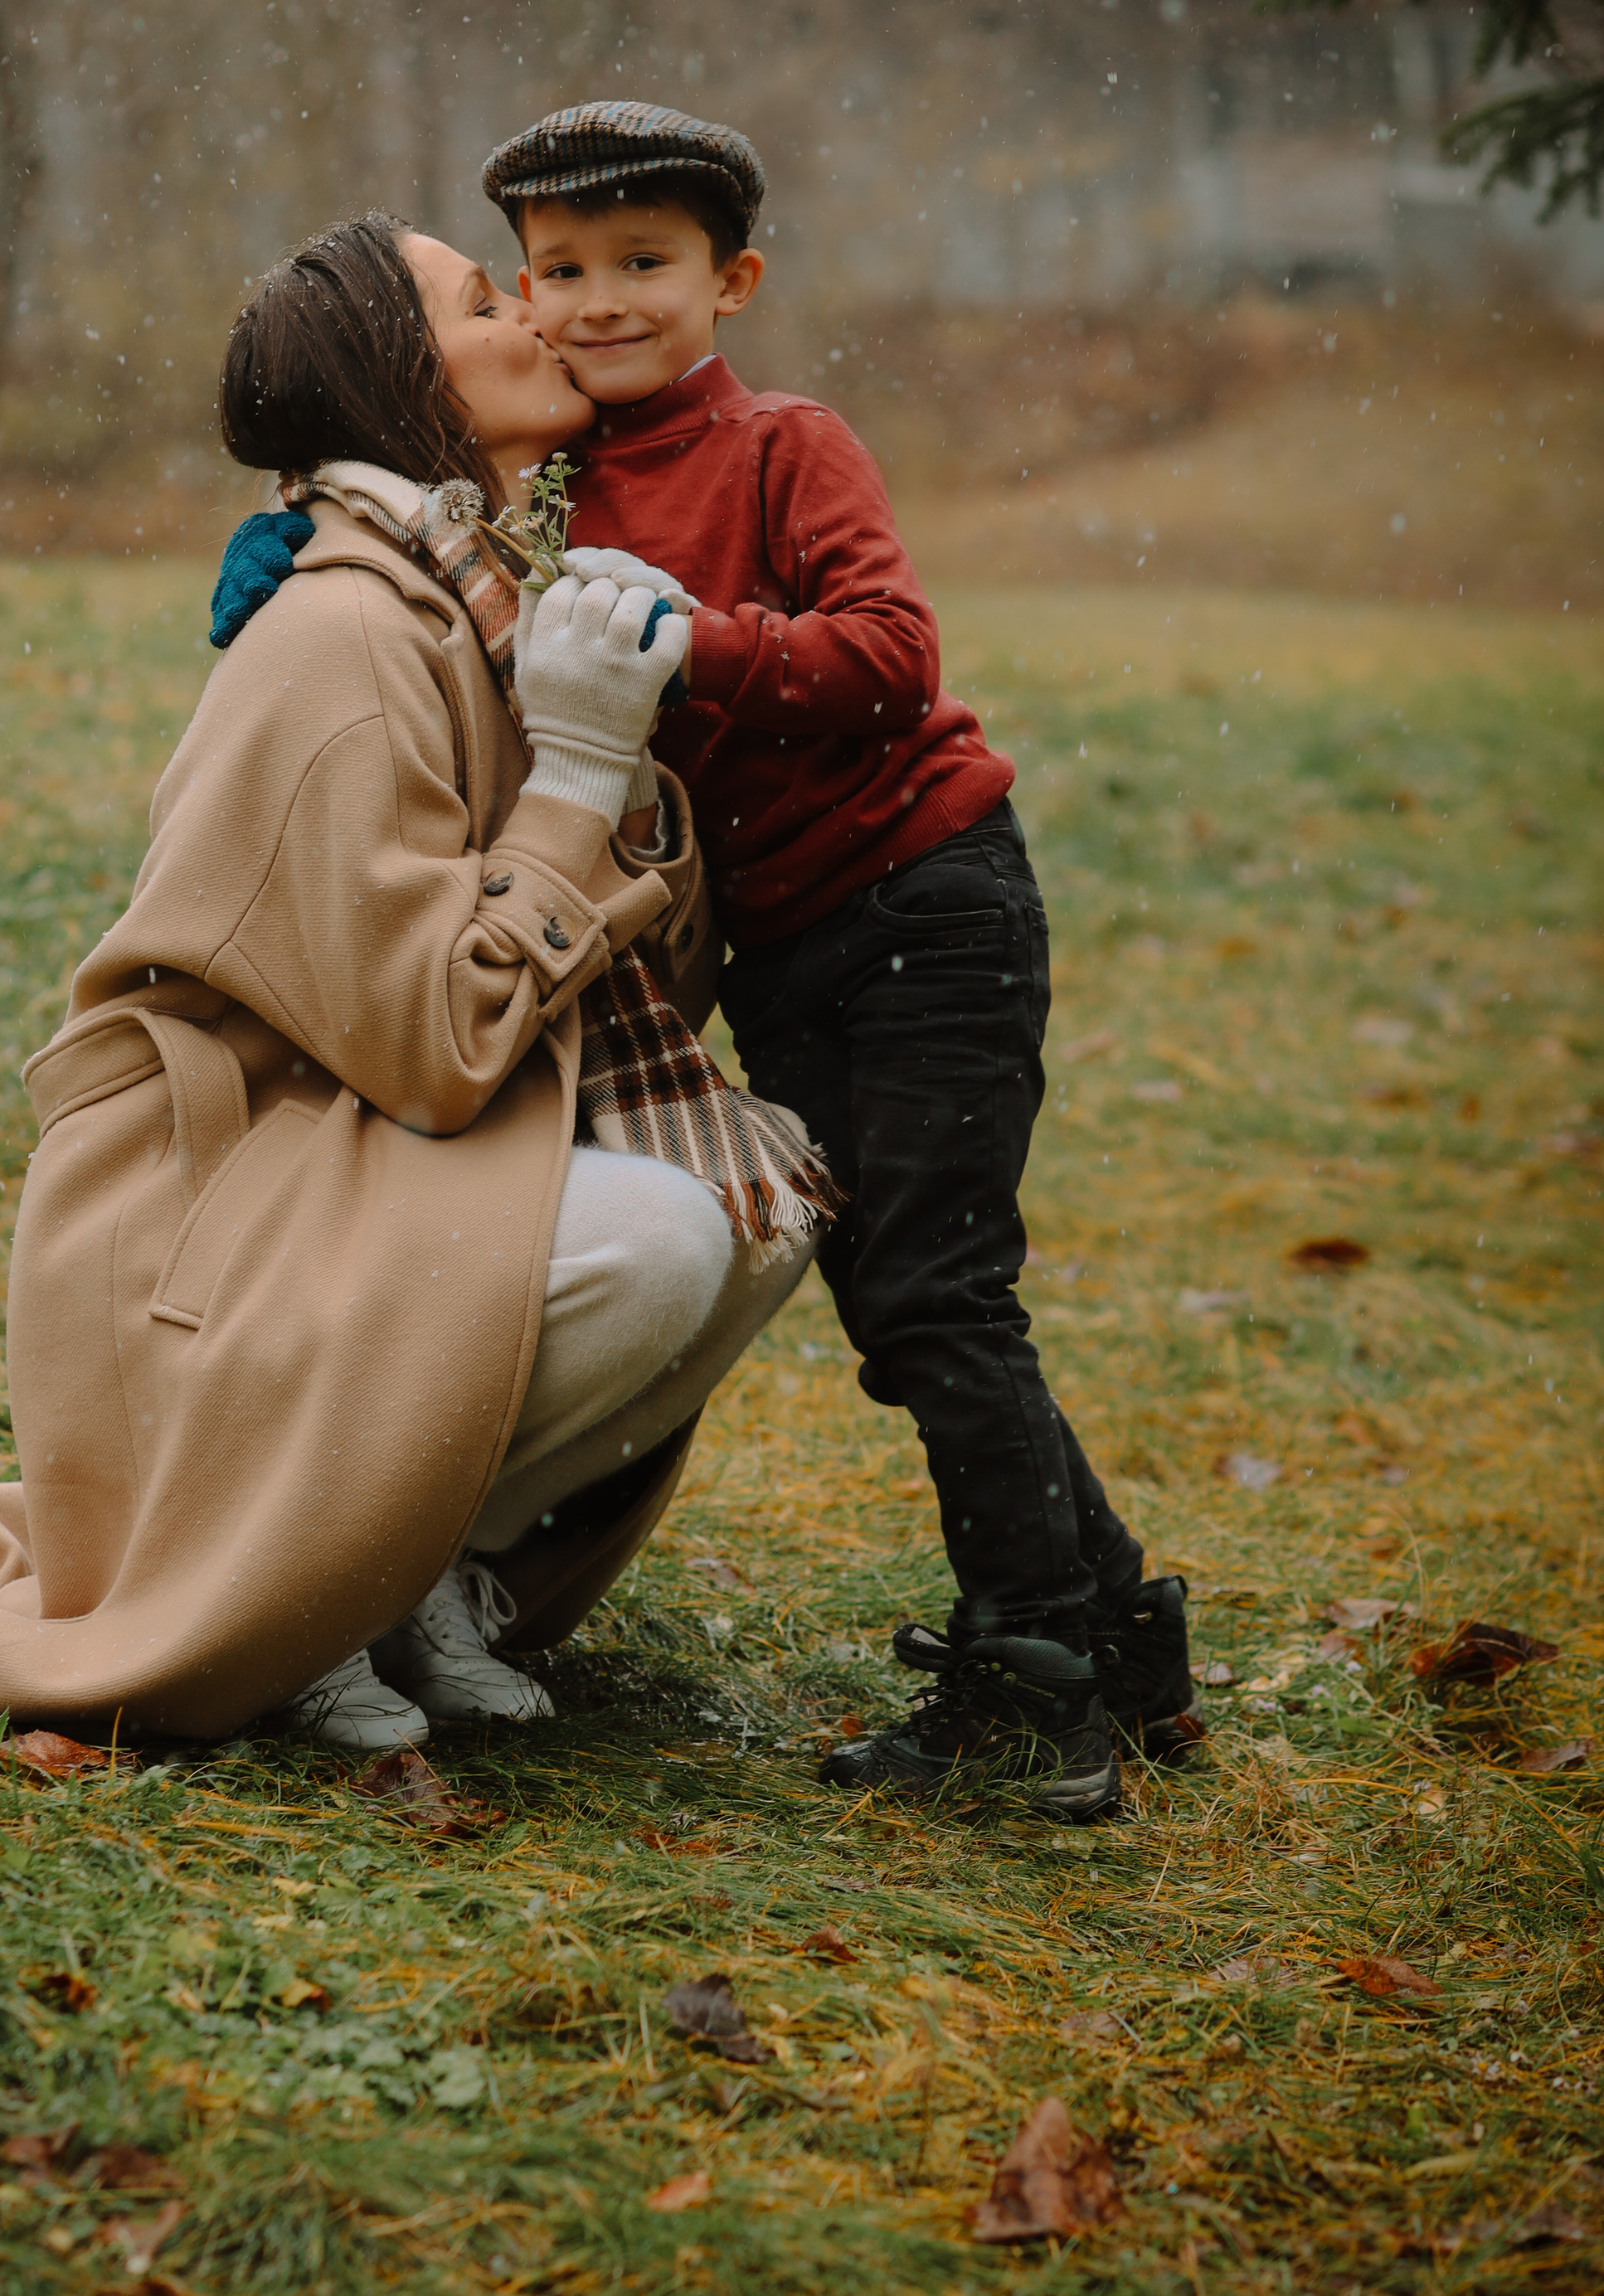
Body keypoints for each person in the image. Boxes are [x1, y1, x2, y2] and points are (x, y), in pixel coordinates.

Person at [0, 212, 824, 1752]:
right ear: (403, 379)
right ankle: (309, 1595)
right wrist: (574, 772)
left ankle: (426, 1571)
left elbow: (646, 999)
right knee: (672, 1234)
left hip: (369, 1148)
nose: (539, 317)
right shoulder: (344, 633)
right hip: (224, 1193)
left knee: (759, 1201)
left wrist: (614, 766)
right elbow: (440, 1045)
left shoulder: (486, 599)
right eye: (484, 303)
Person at [214, 107, 1198, 1826]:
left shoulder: (782, 445)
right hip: (786, 943)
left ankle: (1033, 1684)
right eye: (556, 272)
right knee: (898, 1297)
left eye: (644, 264)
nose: (597, 304)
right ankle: (1121, 1638)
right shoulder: (550, 478)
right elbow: (439, 549)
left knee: (938, 1298)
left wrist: (687, 645)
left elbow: (890, 656)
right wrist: (289, 535)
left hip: (928, 895)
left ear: (730, 282)